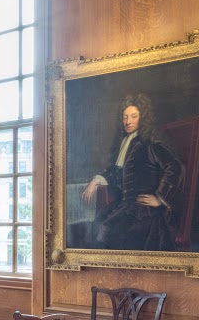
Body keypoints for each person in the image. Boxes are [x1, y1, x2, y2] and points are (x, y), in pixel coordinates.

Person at [78, 92, 184, 251]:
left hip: (144, 211)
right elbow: (117, 171)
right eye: (125, 117)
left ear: (143, 117)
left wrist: (160, 199)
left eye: (133, 116)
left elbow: (175, 167)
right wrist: (95, 181)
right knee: (94, 228)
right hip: (125, 205)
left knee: (107, 231)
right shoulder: (126, 142)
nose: (128, 121)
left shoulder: (150, 144)